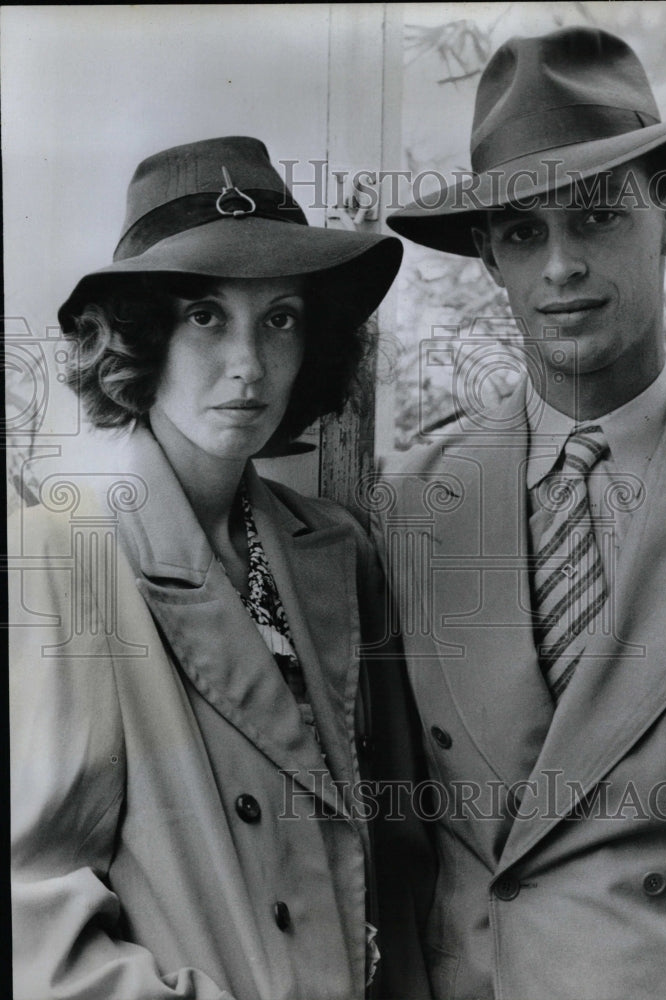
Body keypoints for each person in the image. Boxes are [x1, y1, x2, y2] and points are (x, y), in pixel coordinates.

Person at [378, 27, 666, 1000]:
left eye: (597, 216)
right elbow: (392, 835)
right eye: (523, 233)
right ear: (488, 257)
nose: (560, 265)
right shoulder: (408, 507)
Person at [10, 135, 433, 1000]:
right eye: (206, 315)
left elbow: (391, 854)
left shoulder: (334, 549)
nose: (248, 366)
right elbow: (30, 914)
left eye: (279, 318)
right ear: (142, 334)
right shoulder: (66, 550)